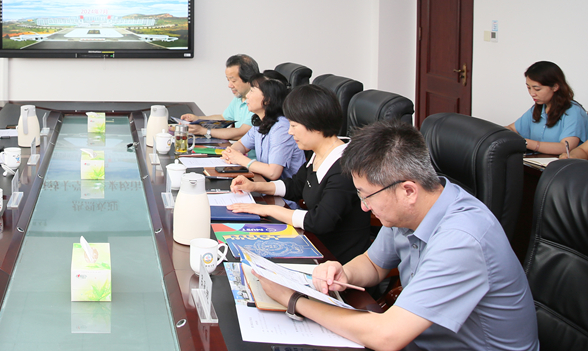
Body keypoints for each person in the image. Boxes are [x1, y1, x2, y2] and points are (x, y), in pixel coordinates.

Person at [257, 120, 538, 351]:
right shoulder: (409, 210)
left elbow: (387, 336)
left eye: (366, 196)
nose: (364, 207)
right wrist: (344, 272)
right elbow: (374, 264)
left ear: (408, 191)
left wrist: (293, 300)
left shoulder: (463, 239)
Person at [226, 84, 372, 263]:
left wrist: (267, 209)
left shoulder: (344, 167)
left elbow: (319, 221)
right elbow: (295, 185)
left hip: (334, 260)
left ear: (315, 124)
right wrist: (255, 186)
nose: (290, 131)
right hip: (312, 244)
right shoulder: (319, 154)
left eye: (294, 125)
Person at [219, 74, 304, 180]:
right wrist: (231, 153)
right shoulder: (260, 120)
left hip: (284, 188)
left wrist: (240, 159)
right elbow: (242, 145)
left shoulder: (282, 127)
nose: (247, 96)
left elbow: (273, 173)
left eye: (252, 91)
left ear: (267, 100)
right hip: (264, 182)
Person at [506, 61, 586, 155]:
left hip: (559, 163)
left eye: (537, 89)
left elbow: (565, 148)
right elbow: (512, 128)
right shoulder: (539, 108)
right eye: (529, 88)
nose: (532, 93)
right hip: (534, 162)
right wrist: (498, 134)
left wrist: (525, 142)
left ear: (555, 87)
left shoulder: (573, 111)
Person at [180, 54, 258, 140]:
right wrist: (197, 119)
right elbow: (223, 118)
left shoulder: (258, 102)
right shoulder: (239, 97)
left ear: (250, 79)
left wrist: (204, 131)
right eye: (228, 80)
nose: (229, 85)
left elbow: (242, 133)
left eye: (233, 81)